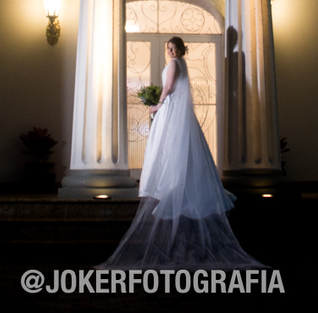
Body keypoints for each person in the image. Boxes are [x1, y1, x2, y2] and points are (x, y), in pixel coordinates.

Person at [99, 36, 262, 269]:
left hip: (171, 109)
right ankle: (178, 190)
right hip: (176, 111)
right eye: (168, 48)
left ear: (180, 49)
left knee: (169, 151)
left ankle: (172, 189)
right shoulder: (181, 64)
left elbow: (169, 87)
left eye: (173, 47)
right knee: (178, 152)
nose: (170, 51)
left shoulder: (175, 64)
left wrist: (157, 104)